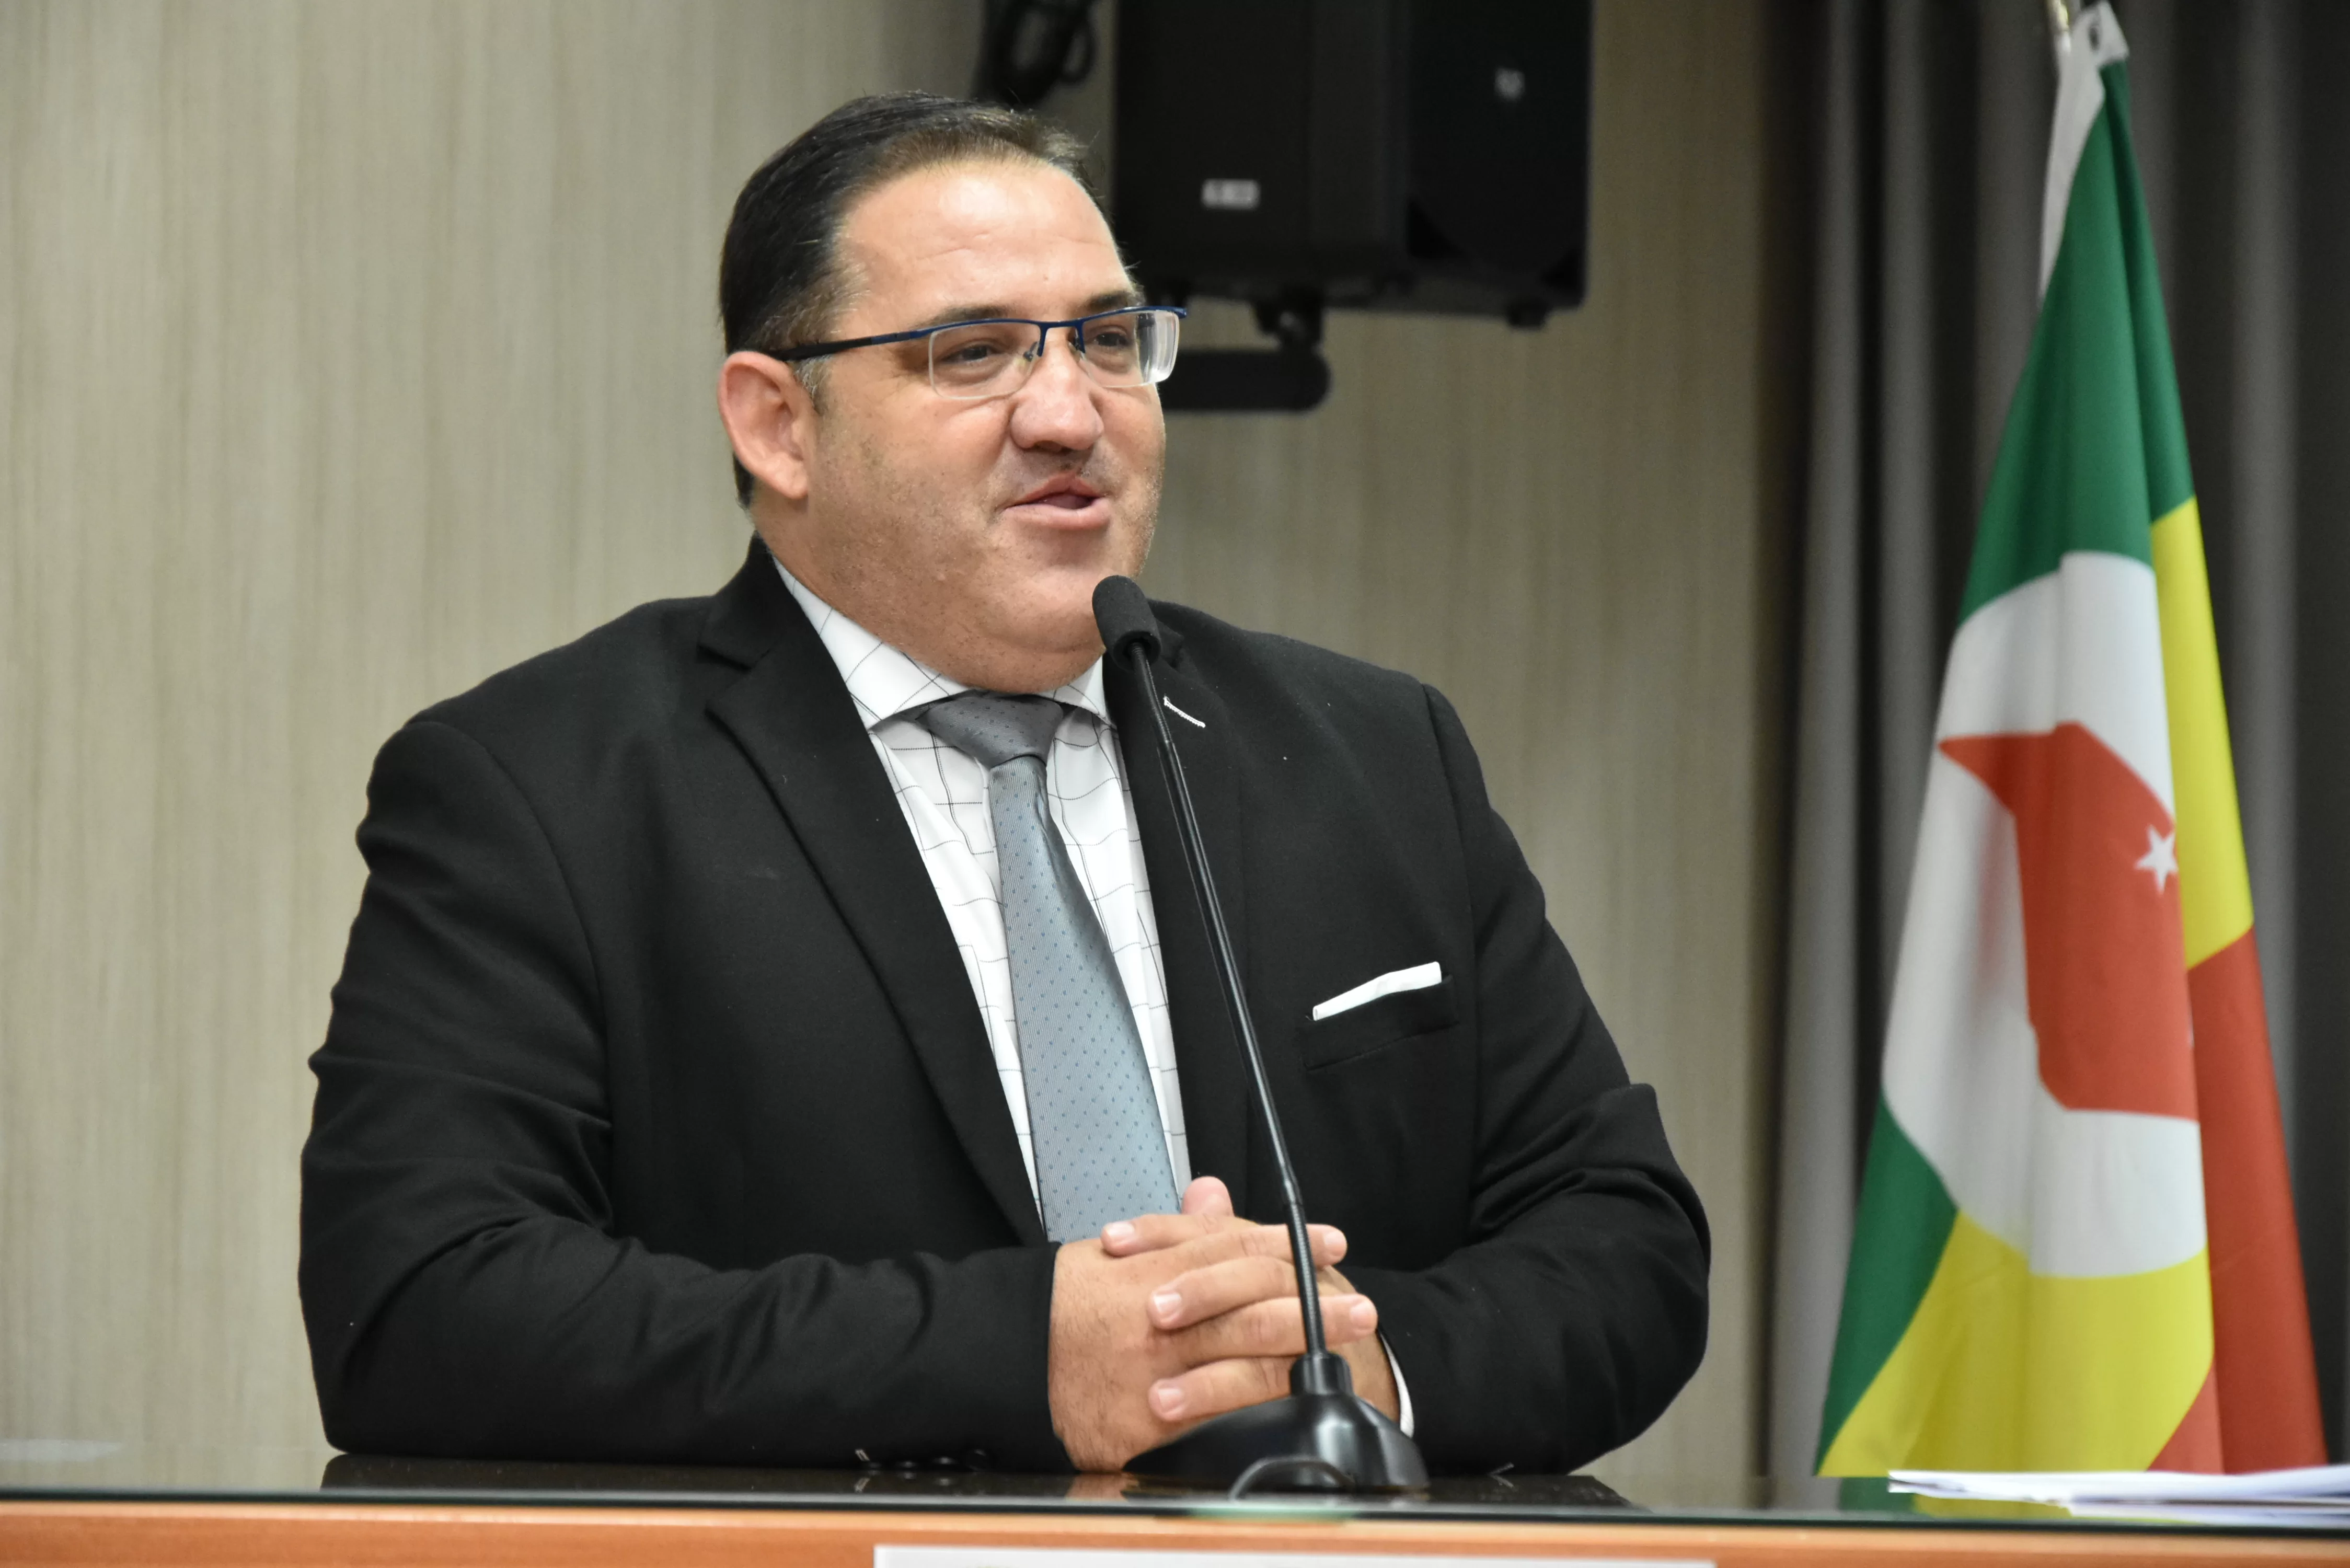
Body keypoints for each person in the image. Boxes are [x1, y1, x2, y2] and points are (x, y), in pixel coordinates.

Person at [299, 92, 1708, 1476]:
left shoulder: (1375, 753)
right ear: (778, 424)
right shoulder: (539, 789)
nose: (1068, 413)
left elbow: (1625, 1239)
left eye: (1109, 341)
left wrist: (1353, 1364)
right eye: (973, 354)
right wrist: (1020, 1358)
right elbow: (421, 1304)